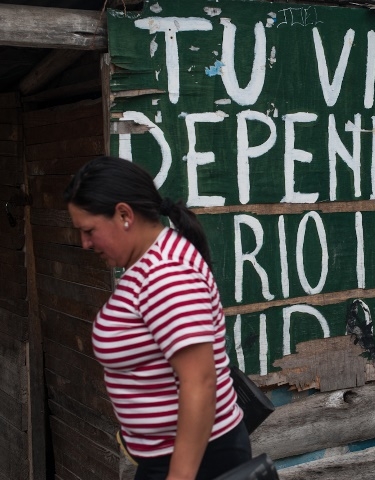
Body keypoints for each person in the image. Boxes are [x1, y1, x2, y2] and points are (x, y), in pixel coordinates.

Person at [64, 156, 251, 480]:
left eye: (89, 230)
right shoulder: (150, 264)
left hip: (194, 462)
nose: (85, 243)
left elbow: (200, 382)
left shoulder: (166, 274)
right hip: (177, 457)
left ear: (124, 214)